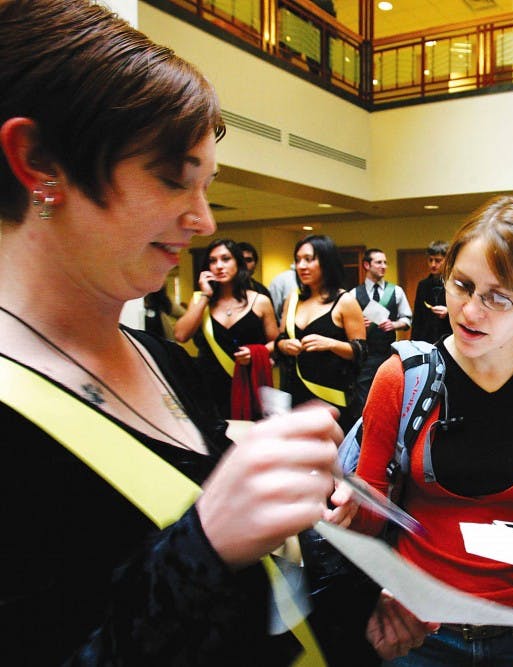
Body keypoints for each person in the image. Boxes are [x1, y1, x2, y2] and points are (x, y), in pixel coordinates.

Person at [0, 1, 384, 663]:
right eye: (176, 179)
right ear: (37, 161)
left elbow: (242, 605)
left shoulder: (161, 360)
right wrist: (208, 539)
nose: (204, 222)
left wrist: (332, 571)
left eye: (208, 185)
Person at [354, 195, 513, 665]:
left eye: (499, 297)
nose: (471, 312)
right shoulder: (401, 378)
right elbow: (370, 504)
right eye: (462, 285)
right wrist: (343, 507)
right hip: (421, 627)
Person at [174, 238, 279, 419]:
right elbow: (181, 335)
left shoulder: (260, 301)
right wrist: (206, 296)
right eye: (213, 261)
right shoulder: (200, 300)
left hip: (248, 383)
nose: (219, 266)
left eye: (225, 259)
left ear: (238, 263)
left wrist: (255, 352)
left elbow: (277, 343)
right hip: (208, 385)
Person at [276, 235, 366, 429]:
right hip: (297, 394)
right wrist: (284, 345)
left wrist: (330, 344)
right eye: (298, 260)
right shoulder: (293, 300)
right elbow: (280, 339)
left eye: (309, 259)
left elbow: (361, 351)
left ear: (326, 261)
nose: (301, 266)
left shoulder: (345, 300)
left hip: (333, 397)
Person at [354, 247, 412, 406]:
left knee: (388, 399)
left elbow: (407, 320)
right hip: (364, 358)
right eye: (379, 262)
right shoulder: (353, 294)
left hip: (388, 354)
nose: (384, 266)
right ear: (367, 265)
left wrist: (394, 324)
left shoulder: (396, 291)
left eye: (385, 262)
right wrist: (359, 325)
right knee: (363, 402)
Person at [410, 240, 453, 343]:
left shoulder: (455, 284)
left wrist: (448, 312)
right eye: (430, 260)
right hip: (426, 340)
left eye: (438, 260)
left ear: (447, 261)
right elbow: (417, 319)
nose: (433, 264)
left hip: (449, 338)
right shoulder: (423, 285)